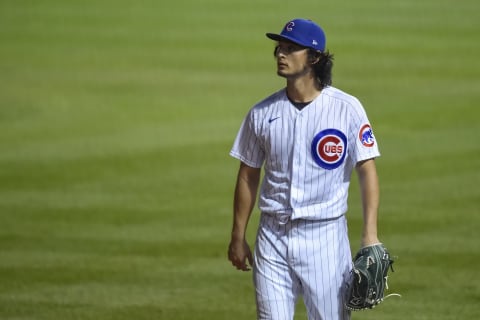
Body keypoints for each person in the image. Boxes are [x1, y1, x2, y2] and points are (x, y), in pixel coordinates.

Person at [227, 18, 382, 320]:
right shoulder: (262, 113)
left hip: (324, 236)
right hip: (272, 236)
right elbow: (247, 174)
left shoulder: (347, 109)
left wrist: (370, 235)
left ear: (314, 57)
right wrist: (237, 235)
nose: (281, 54)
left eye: (291, 48)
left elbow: (367, 169)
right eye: (280, 47)